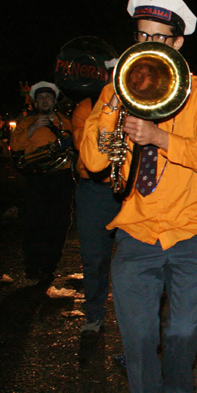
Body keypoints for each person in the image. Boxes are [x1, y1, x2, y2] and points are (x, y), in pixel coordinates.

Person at [80, 0, 197, 393]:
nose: (150, 45)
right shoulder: (116, 89)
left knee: (184, 329)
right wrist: (112, 101)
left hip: (192, 230)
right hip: (136, 232)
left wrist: (159, 137)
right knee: (139, 338)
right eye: (142, 35)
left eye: (161, 37)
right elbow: (92, 160)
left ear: (178, 43)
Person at [10, 81, 75, 283]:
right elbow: (15, 145)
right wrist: (33, 128)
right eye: (40, 98)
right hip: (36, 179)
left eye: (48, 97)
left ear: (55, 101)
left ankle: (49, 267)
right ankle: (32, 265)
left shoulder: (66, 122)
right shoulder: (25, 122)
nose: (44, 100)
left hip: (60, 179)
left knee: (59, 223)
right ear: (35, 102)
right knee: (33, 223)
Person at [72, 91, 122, 335]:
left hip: (128, 190)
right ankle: (94, 314)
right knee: (94, 258)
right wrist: (109, 112)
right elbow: (84, 143)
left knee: (136, 259)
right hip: (95, 190)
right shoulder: (87, 104)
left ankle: (137, 326)